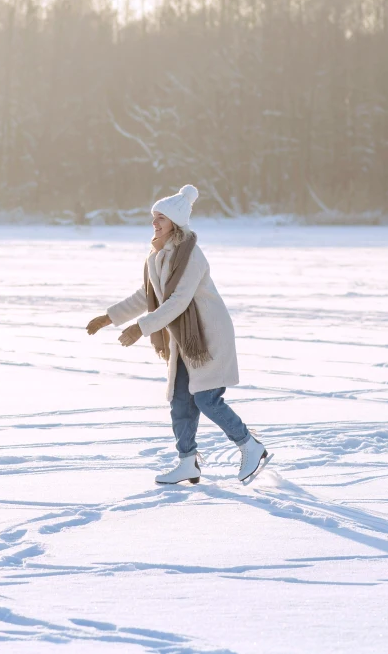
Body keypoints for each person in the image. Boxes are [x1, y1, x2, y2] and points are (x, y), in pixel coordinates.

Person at [87, 185, 271, 485]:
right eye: (153, 217)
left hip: (208, 336)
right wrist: (110, 317)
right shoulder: (157, 256)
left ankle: (251, 446)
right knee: (181, 402)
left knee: (207, 400)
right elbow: (147, 296)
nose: (154, 222)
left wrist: (141, 328)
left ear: (175, 222)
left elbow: (177, 301)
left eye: (161, 217)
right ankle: (188, 463)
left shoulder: (190, 256)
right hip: (184, 340)